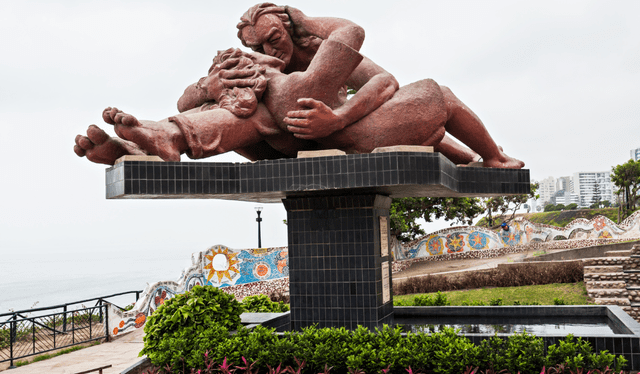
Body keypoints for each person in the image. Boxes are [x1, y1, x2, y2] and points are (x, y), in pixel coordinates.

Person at [76, 41, 523, 170]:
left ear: (292, 27)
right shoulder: (269, 75)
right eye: (256, 45)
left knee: (435, 92)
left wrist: (340, 115)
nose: (270, 48)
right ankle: (153, 141)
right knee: (252, 107)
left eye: (273, 38)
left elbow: (388, 83)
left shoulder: (327, 58)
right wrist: (212, 83)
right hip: (290, 137)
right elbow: (188, 98)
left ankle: (163, 139)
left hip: (339, 131)